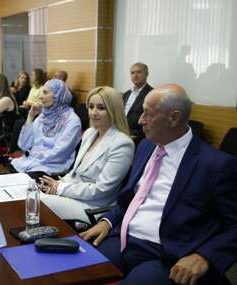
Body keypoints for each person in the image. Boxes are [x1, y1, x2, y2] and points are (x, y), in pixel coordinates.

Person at [80, 84, 237, 285]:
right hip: (124, 239)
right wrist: (107, 221)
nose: (139, 120)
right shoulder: (146, 146)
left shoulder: (216, 165)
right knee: (73, 270)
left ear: (174, 117)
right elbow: (132, 198)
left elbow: (234, 225)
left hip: (167, 254)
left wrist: (204, 256)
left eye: (148, 114)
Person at [40, 86, 134, 223]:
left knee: (35, 202)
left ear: (113, 110)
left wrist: (61, 188)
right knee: (30, 192)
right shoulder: (90, 133)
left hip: (93, 206)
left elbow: (102, 189)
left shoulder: (122, 144)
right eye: (91, 107)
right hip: (73, 194)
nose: (94, 112)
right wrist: (58, 183)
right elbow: (75, 172)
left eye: (101, 108)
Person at [10, 79, 82, 180]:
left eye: (45, 92)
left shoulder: (72, 121)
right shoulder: (42, 116)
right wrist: (30, 117)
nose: (40, 97)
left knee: (17, 183)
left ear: (57, 96)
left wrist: (34, 154)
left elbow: (59, 154)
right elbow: (24, 145)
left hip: (51, 168)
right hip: (31, 163)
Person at [122, 63, 153, 144]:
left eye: (139, 72)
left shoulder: (152, 94)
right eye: (132, 73)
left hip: (139, 138)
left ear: (146, 74)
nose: (135, 75)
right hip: (121, 133)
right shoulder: (126, 94)